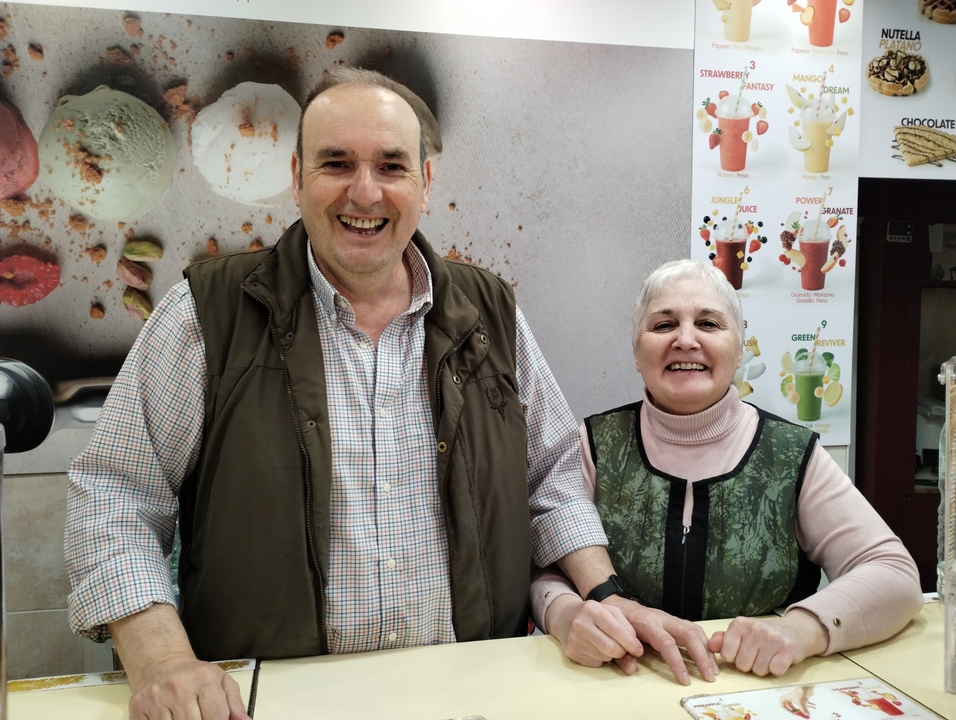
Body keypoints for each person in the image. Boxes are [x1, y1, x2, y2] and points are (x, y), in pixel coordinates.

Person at [64, 70, 713, 720]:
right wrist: (163, 661)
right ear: (296, 178)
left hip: (471, 692)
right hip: (276, 700)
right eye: (336, 163)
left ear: (425, 183)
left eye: (391, 166)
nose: (365, 191)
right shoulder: (206, 314)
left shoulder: (489, 313)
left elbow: (551, 477)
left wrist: (602, 592)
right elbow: (116, 496)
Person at [531, 259, 923, 678]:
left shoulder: (791, 453)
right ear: (636, 353)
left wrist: (801, 630)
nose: (685, 340)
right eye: (663, 325)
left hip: (753, 692)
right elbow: (543, 569)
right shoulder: (592, 444)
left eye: (709, 324)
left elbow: (894, 575)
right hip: (619, 686)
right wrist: (564, 613)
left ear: (739, 351)